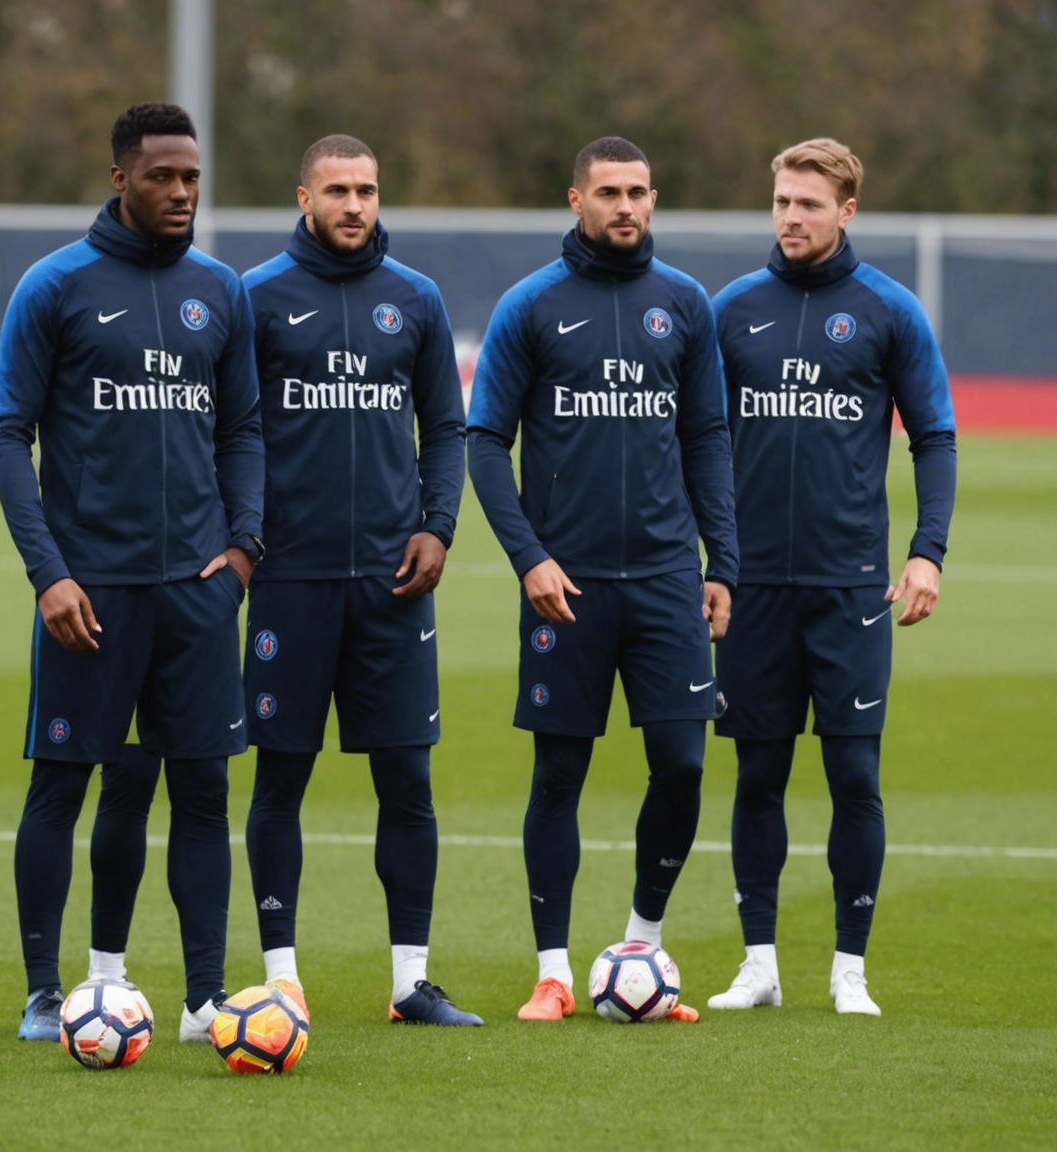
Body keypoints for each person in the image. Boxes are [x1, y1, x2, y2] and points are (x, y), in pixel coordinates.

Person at [0, 102, 262, 1043]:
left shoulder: (221, 290)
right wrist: (48, 573)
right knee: (62, 786)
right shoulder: (55, 286)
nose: (181, 191)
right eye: (162, 176)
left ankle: (202, 1000)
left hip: (196, 595)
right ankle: (39, 990)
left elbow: (242, 431)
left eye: (191, 176)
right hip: (88, 596)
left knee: (203, 791)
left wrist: (241, 553)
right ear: (120, 178)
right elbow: (5, 433)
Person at [467, 136, 736, 1022]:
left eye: (639, 192)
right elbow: (482, 444)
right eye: (609, 192)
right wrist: (529, 558)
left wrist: (719, 563)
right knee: (559, 776)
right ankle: (552, 973)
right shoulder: (532, 306)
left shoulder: (684, 305)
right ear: (574, 200)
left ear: (654, 199)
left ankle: (641, 947)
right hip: (567, 583)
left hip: (664, 579)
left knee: (684, 764)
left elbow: (706, 440)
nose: (626, 206)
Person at [705, 138, 957, 1017]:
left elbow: (935, 437)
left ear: (847, 210)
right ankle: (759, 963)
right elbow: (694, 441)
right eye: (781, 201)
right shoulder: (731, 310)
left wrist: (927, 549)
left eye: (808, 204)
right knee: (757, 776)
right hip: (751, 589)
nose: (790, 217)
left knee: (855, 777)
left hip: (852, 587)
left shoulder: (889, 312)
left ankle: (850, 968)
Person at [237, 134, 477, 1025]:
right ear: (304, 196)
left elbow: (445, 430)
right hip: (290, 583)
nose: (353, 204)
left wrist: (437, 527)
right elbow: (234, 432)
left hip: (392, 586)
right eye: (336, 190)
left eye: (367, 190)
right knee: (279, 782)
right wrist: (247, 538)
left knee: (407, 783)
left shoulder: (413, 300)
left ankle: (410, 981)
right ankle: (282, 974)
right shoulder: (255, 298)